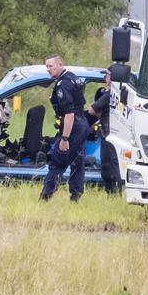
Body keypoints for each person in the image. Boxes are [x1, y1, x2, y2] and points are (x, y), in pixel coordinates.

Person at [41, 54, 88, 202]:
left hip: (72, 126)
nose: (48, 69)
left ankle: (45, 197)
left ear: (60, 64)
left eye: (51, 66)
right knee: (77, 162)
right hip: (81, 124)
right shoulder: (72, 77)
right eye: (46, 66)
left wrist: (65, 138)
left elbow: (69, 114)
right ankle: (76, 196)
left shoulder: (64, 84)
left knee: (57, 162)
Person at [87, 71, 122, 194]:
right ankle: (118, 190)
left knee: (107, 165)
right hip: (119, 133)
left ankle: (113, 192)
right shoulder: (123, 94)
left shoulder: (108, 94)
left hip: (107, 133)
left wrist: (99, 114)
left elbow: (92, 110)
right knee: (116, 163)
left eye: (106, 75)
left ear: (112, 78)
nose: (104, 77)